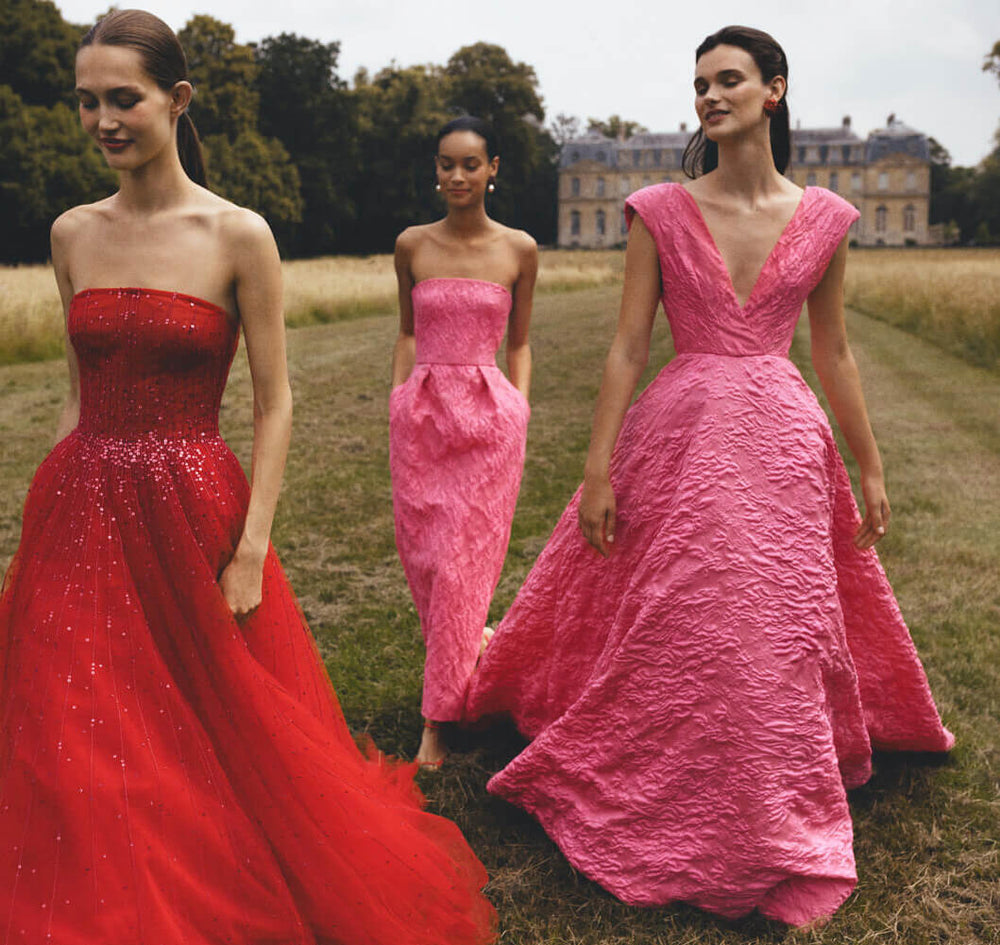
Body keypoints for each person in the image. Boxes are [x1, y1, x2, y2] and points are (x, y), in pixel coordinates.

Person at [0, 11, 496, 944]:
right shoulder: (71, 233)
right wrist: (46, 512)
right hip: (80, 503)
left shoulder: (239, 235)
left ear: (177, 99)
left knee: (203, 723)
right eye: (86, 102)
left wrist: (252, 546)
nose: (103, 120)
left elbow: (275, 402)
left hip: (195, 509)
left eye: (123, 99)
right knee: (80, 713)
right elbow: (75, 392)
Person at [464, 25, 953, 927]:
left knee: (779, 619)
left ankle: (773, 786)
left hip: (783, 437)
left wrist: (870, 464)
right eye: (700, 84)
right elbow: (627, 347)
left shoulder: (826, 217)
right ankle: (678, 762)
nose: (710, 96)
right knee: (684, 609)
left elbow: (835, 352)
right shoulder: (657, 208)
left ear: (775, 91)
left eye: (729, 79)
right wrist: (597, 469)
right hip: (680, 432)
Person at [390, 116, 536, 767]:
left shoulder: (519, 250)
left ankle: (437, 722)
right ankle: (470, 663)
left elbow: (520, 343)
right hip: (420, 422)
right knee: (426, 565)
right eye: (446, 164)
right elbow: (406, 332)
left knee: (460, 568)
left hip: (488, 426)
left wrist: (519, 406)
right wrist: (398, 398)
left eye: (470, 164)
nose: (456, 176)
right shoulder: (411, 245)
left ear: (492, 168)